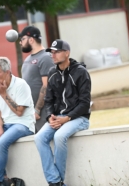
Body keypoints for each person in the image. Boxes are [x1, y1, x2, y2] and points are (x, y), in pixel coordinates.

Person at [34, 39, 91, 186]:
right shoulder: (52, 73)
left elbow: (85, 104)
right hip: (58, 118)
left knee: (59, 136)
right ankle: (56, 182)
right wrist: (49, 116)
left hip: (79, 118)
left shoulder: (81, 72)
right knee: (39, 138)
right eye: (51, 52)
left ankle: (56, 181)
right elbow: (48, 100)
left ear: (67, 53)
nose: (52, 55)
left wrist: (67, 118)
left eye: (56, 52)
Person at [0, 57, 35, 186]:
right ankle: (4, 179)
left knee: (2, 143)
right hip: (7, 125)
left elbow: (19, 112)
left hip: (24, 124)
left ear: (7, 72)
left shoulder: (21, 85)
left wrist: (3, 94)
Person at [19, 25, 55, 132]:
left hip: (42, 112)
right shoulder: (27, 60)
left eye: (22, 39)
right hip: (30, 113)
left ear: (31, 39)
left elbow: (46, 86)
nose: (20, 42)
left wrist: (37, 109)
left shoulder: (46, 57)